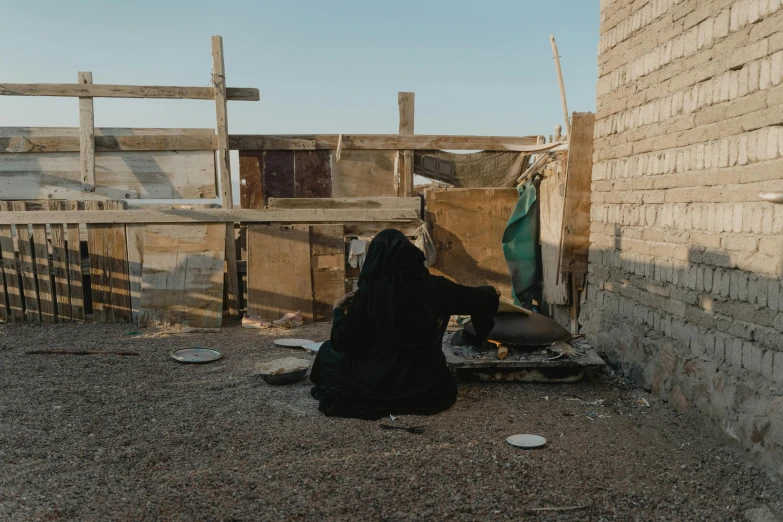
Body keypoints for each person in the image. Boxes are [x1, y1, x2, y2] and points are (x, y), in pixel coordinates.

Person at [309, 229, 500, 420]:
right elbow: (477, 298)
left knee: (327, 352)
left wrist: (337, 311)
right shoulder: (436, 287)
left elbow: (344, 342)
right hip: (426, 385)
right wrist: (492, 291)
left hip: (376, 384)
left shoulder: (368, 294)